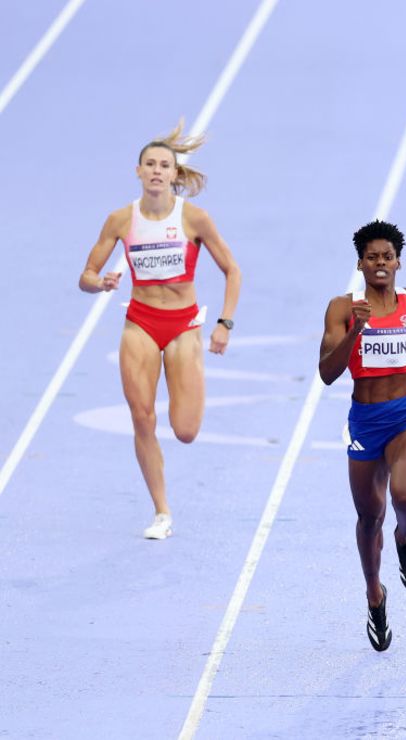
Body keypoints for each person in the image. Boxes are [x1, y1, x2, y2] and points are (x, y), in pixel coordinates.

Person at [79, 121, 241, 540]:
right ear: (138, 171)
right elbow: (87, 274)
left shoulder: (194, 219)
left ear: (174, 174)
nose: (156, 170)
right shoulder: (120, 219)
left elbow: (232, 270)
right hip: (141, 322)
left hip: (183, 323)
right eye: (149, 164)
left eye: (164, 165)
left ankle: (187, 387)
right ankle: (162, 512)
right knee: (142, 417)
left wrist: (223, 323)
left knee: (185, 430)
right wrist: (100, 282)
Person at [318, 220, 406, 652]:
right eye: (372, 257)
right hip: (365, 420)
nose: (380, 263)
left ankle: (405, 537)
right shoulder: (342, 309)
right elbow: (326, 374)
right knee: (369, 517)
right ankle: (375, 594)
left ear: (398, 262)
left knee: (405, 495)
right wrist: (355, 332)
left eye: (387, 257)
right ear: (360, 263)